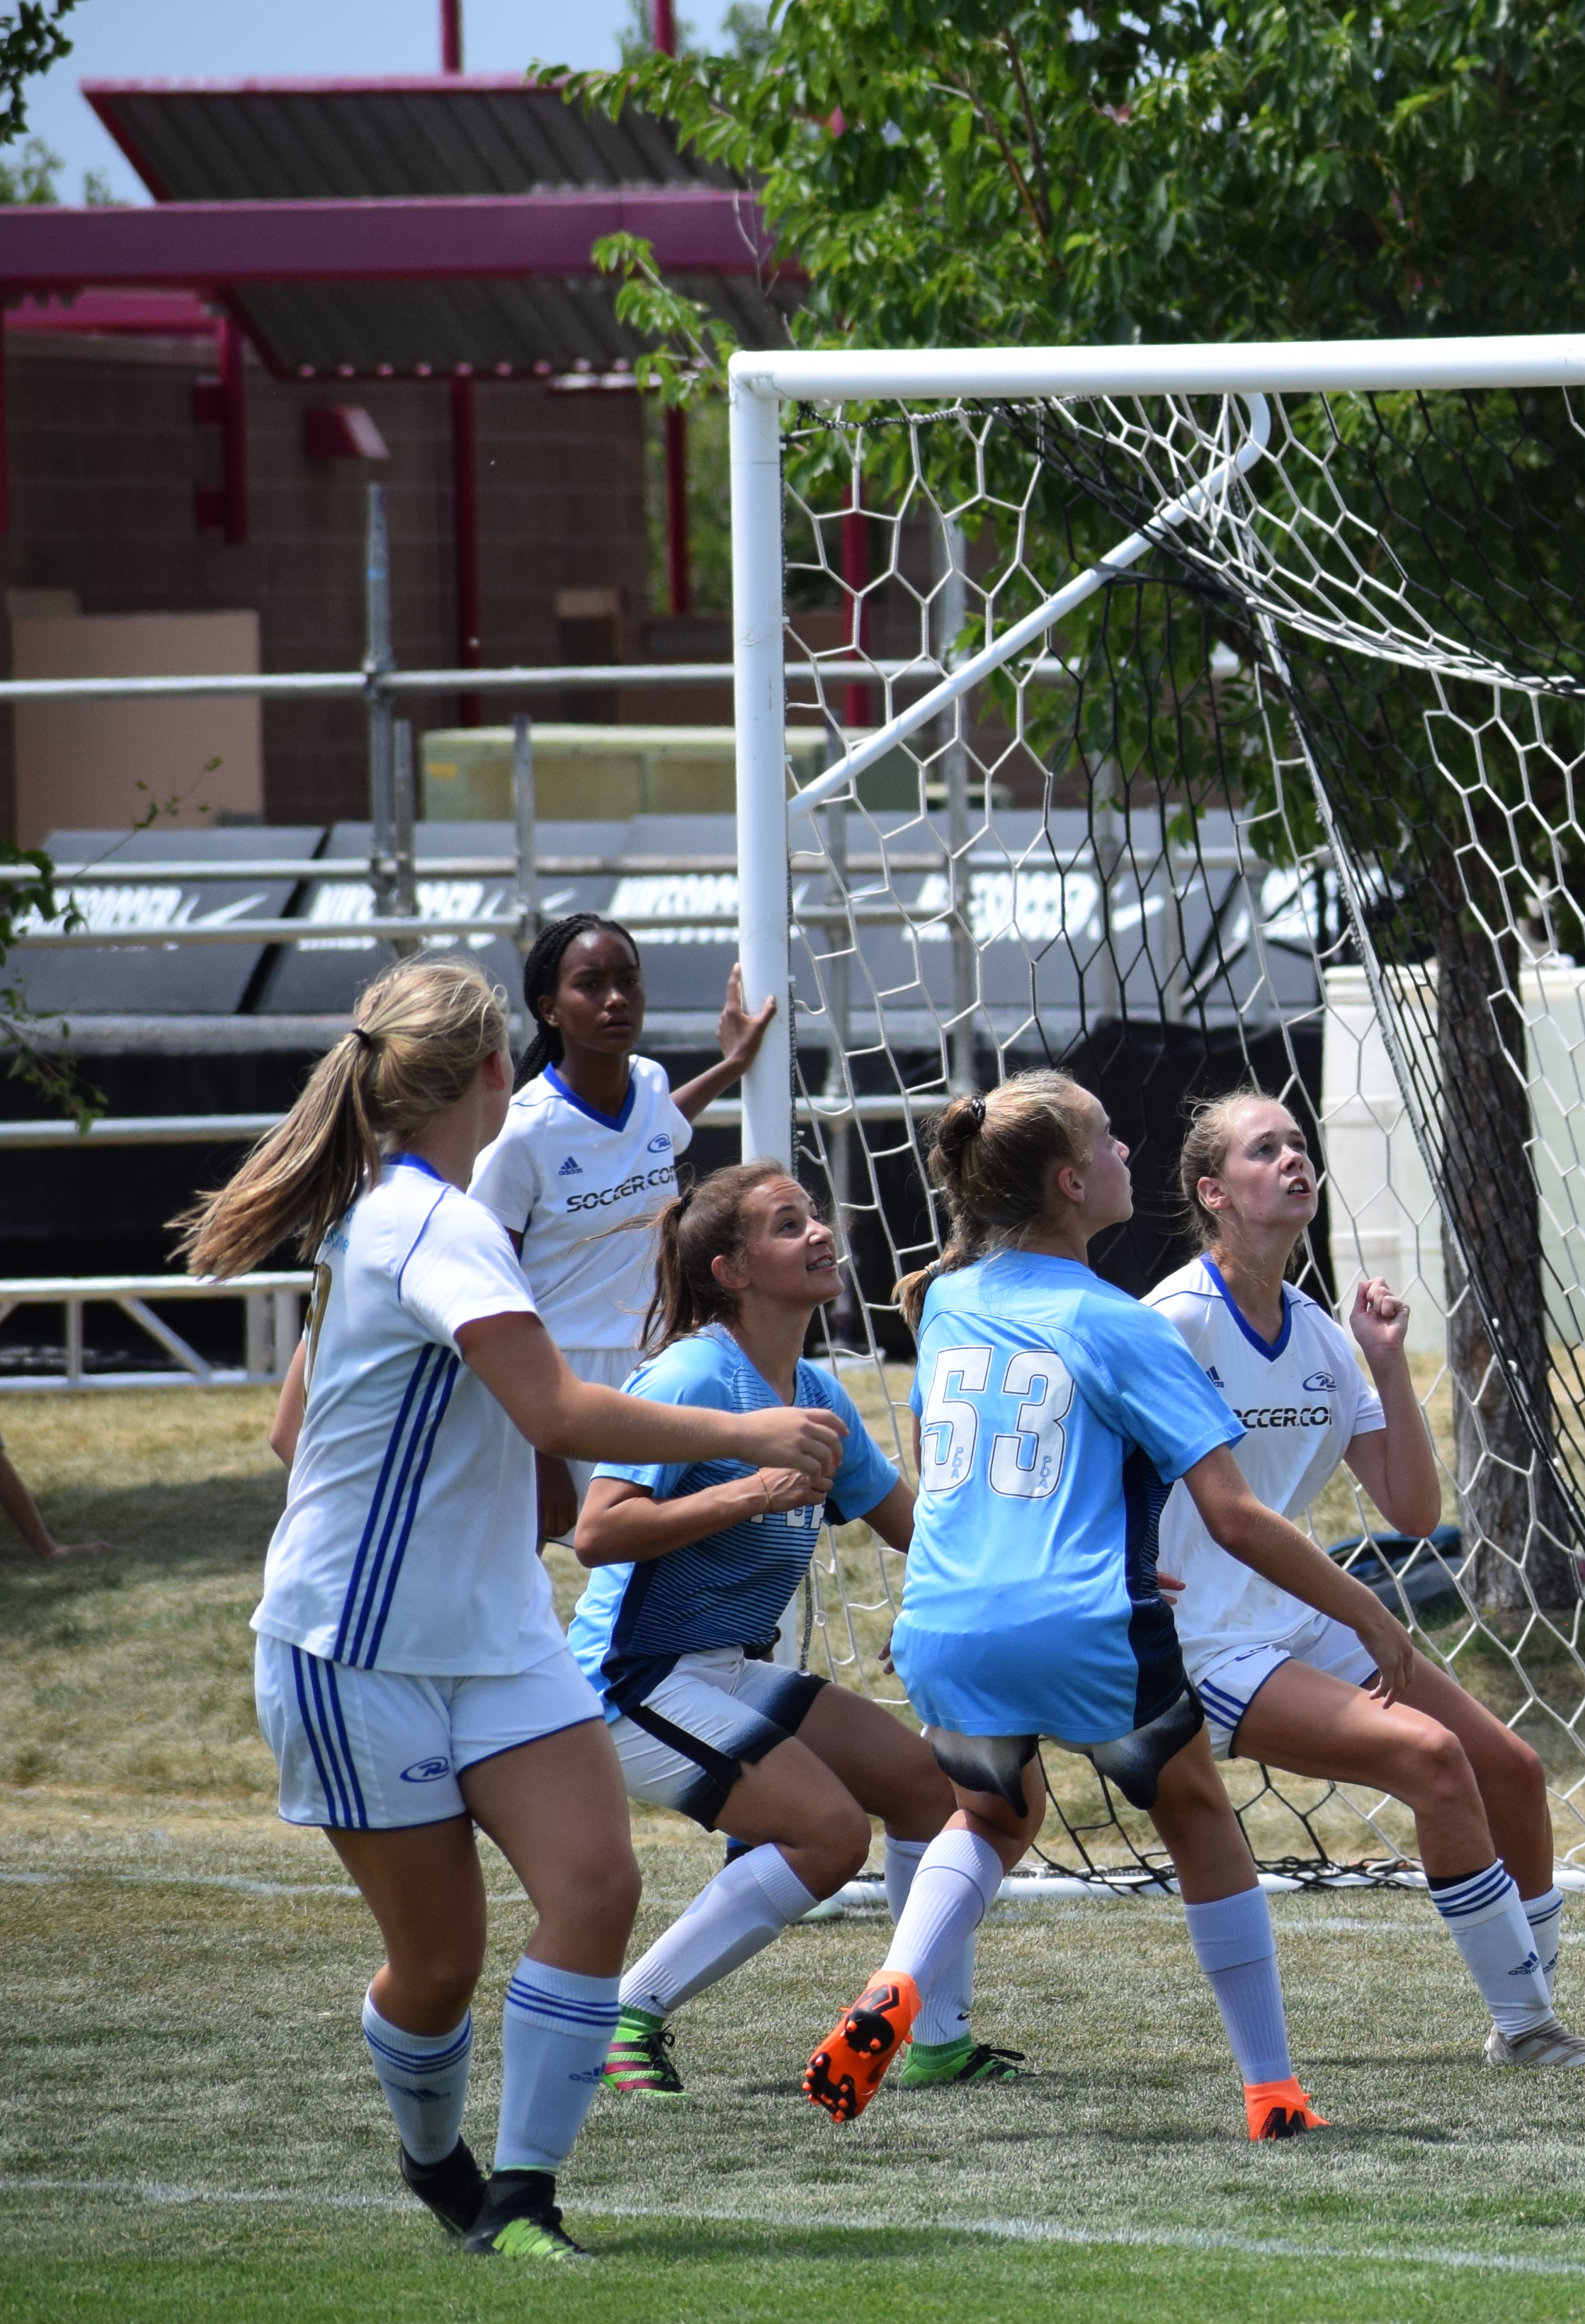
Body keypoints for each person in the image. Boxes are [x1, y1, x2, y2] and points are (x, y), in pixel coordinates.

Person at [181, 959, 847, 2260]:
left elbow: (319, 1423)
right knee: (438, 1968)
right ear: (497, 1070)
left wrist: (495, 1479)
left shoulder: (419, 1212)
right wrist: (744, 1428)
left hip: (494, 1639)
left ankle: (522, 2198)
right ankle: (439, 2162)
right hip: (354, 1649)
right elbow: (546, 1406)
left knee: (594, 1884)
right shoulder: (432, 1222)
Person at [801, 1071, 1435, 2141]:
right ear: (1067, 1180)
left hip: (946, 1621)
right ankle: (1274, 2093)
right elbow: (1234, 1518)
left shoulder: (949, 1301)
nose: (1127, 1155)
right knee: (1197, 1815)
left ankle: (898, 1986)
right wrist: (1370, 1612)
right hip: (1083, 1624)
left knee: (993, 1814)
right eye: (1107, 1139)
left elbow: (978, 1479)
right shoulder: (1128, 1326)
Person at [1146, 1089, 1585, 2069]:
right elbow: (1088, 1453)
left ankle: (1519, 2013)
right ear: (1213, 1191)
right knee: (1433, 1763)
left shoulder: (1324, 1337)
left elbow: (1412, 1512)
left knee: (1512, 1771)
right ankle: (1533, 2033)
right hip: (1204, 1644)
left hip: (1297, 1619)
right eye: (1263, 1149)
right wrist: (1114, 1568)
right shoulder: (1173, 1320)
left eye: (1298, 1144)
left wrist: (1387, 1365)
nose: (1292, 1159)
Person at [570, 1161, 1028, 2102]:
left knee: (932, 1790)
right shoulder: (697, 1371)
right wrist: (746, 1488)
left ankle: (936, 2042)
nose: (820, 1233)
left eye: (815, 1216)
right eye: (788, 1225)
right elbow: (597, 1531)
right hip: (630, 1683)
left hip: (725, 1671)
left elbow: (921, 1535)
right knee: (827, 1838)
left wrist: (1065, 1578)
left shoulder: (817, 1389)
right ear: (732, 1272)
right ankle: (626, 2015)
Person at [469, 914, 777, 1402]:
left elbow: (661, 1123)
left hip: (663, 1354)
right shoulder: (525, 1130)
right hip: (563, 1370)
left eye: (628, 981)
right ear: (550, 1010)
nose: (616, 999)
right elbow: (484, 1273)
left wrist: (733, 1064)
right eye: (591, 985)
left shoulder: (650, 1082)